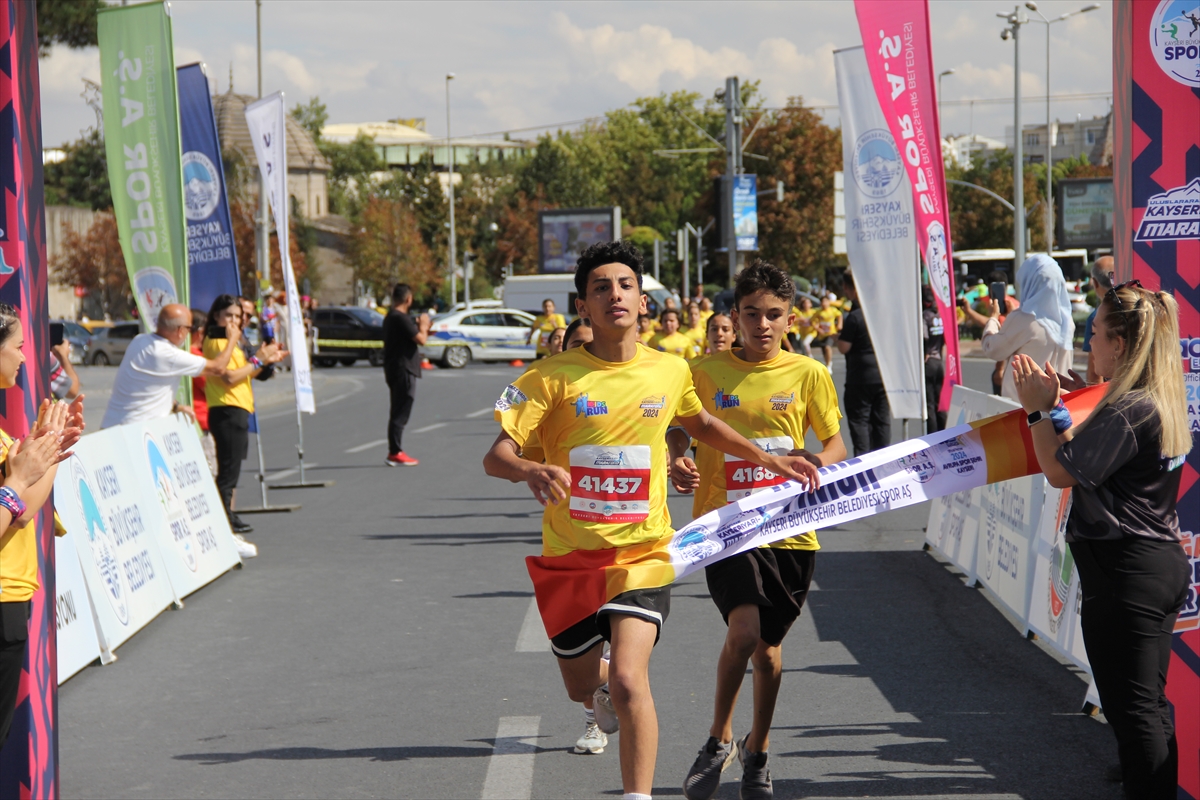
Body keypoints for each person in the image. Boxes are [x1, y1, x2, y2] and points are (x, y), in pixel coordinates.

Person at [482, 240, 818, 800]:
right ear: (583, 307)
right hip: (569, 558)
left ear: (642, 301)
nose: (614, 294)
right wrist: (530, 470)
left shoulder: (669, 370)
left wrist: (767, 457)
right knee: (582, 687)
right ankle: (596, 695)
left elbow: (703, 424)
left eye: (625, 285)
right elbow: (496, 456)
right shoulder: (549, 376)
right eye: (600, 287)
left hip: (642, 554)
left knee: (630, 679)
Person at [668, 262, 846, 800]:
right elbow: (679, 431)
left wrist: (812, 460)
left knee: (767, 650)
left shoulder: (809, 374)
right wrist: (679, 459)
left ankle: (758, 748)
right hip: (726, 525)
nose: (762, 325)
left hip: (790, 530)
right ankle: (717, 738)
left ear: (790, 318)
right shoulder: (701, 370)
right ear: (735, 317)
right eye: (751, 314)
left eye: (773, 315)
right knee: (743, 632)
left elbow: (837, 446)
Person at [1011, 280, 1191, 799]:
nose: (1090, 345)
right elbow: (1088, 462)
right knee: (1147, 707)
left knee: (1134, 711)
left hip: (1127, 572)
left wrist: (1038, 409)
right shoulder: (1148, 400)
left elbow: (1059, 471)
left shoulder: (1129, 408)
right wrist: (1060, 410)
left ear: (1122, 346)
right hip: (1147, 565)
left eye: (1097, 334)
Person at [0, 302, 82, 749]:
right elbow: (19, 502)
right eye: (18, 346)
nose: (25, 357)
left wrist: (52, 447)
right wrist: (21, 474)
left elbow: (25, 506)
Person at [204, 295, 287, 547]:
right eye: (228, 315)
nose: (234, 321)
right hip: (226, 408)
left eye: (238, 317)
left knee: (233, 469)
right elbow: (229, 377)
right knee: (227, 473)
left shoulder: (234, 342)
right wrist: (258, 359)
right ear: (216, 315)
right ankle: (224, 519)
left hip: (239, 408)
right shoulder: (219, 341)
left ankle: (228, 516)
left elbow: (247, 372)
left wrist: (266, 360)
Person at [102, 304, 239, 430]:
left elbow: (146, 387)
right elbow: (218, 368)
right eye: (189, 329)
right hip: (136, 431)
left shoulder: (139, 341)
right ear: (180, 331)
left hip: (112, 426)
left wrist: (176, 406)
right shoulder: (167, 354)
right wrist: (232, 339)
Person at [978, 254, 1075, 403]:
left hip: (1023, 409)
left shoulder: (1024, 318)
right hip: (1060, 404)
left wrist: (993, 318)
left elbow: (993, 348)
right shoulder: (1067, 321)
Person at [837, 274, 891, 455]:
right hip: (883, 374)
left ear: (851, 288)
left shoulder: (855, 316)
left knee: (859, 421)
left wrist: (837, 337)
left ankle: (862, 463)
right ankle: (883, 460)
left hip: (860, 376)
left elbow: (844, 347)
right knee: (881, 421)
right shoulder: (883, 313)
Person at [382, 283, 431, 467]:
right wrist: (423, 326)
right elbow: (421, 339)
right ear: (408, 299)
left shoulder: (391, 317)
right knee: (401, 409)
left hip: (395, 367)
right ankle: (395, 451)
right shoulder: (399, 317)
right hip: (403, 369)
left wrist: (421, 327)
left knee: (399, 408)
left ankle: (395, 450)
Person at [189, 310, 218, 478]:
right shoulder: (196, 357)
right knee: (210, 474)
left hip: (196, 420)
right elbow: (210, 386)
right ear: (200, 332)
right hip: (201, 421)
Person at [1082, 256, 1114, 386]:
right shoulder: (1139, 308)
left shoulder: (1097, 317)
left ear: (1095, 283)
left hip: (1111, 396)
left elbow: (1094, 374)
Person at [921, 286, 947, 433]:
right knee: (940, 402)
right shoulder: (940, 316)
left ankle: (932, 436)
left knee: (930, 403)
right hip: (939, 361)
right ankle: (943, 432)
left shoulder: (926, 316)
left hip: (929, 360)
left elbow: (924, 337)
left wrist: (925, 353)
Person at [810, 294, 842, 371]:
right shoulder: (818, 311)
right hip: (822, 334)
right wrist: (818, 329)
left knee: (828, 347)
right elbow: (812, 321)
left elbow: (839, 315)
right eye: (822, 302)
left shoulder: (833, 310)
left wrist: (839, 325)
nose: (824, 303)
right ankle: (827, 362)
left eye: (826, 301)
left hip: (831, 333)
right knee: (824, 349)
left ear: (829, 302)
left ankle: (829, 364)